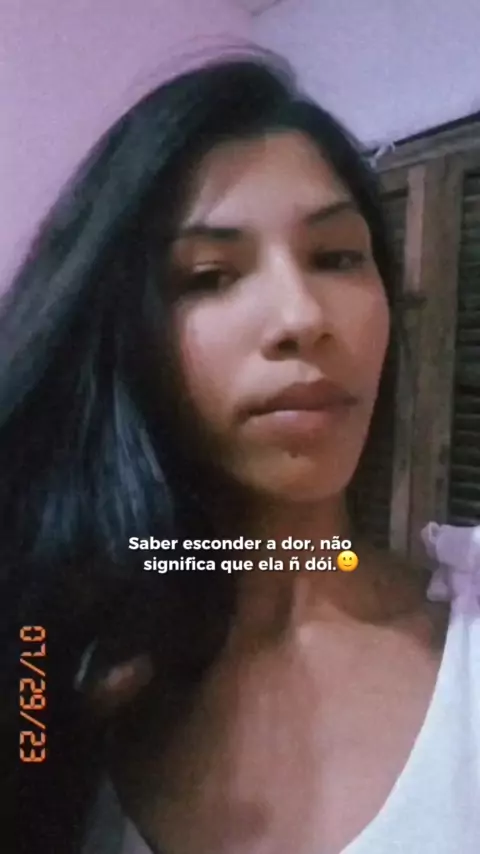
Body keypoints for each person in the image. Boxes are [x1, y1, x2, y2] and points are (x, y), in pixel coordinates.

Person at [2, 49, 479, 854]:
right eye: (211, 275)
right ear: (123, 336)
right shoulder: (43, 668)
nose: (302, 316)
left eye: (337, 257)